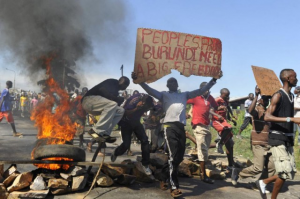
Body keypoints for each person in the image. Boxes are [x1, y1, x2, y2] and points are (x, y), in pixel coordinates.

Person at [132, 71, 222, 198]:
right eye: (170, 82)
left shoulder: (184, 95)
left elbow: (201, 90)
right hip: (169, 127)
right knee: (173, 157)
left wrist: (213, 80)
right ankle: (174, 187)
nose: (172, 84)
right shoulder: (163, 95)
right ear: (168, 86)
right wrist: (140, 82)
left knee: (177, 158)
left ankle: (162, 176)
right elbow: (150, 90)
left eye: (174, 82)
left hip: (180, 128)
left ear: (177, 84)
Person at [256, 69, 300, 199]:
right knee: (283, 172)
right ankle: (264, 185)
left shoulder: (291, 96)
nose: (296, 79)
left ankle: (263, 182)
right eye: (294, 77)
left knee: (289, 172)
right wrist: (291, 119)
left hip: (288, 138)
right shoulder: (278, 95)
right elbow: (267, 117)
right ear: (287, 78)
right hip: (277, 137)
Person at [232, 86, 275, 189]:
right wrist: (256, 96)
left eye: (268, 99)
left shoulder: (270, 111)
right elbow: (250, 111)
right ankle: (238, 173)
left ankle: (259, 183)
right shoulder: (257, 109)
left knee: (272, 167)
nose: (267, 101)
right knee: (258, 167)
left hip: (269, 143)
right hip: (258, 143)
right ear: (260, 99)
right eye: (265, 99)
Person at [187, 82, 224, 184]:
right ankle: (203, 175)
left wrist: (219, 109)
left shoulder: (211, 98)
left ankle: (202, 168)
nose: (206, 91)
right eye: (204, 89)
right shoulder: (195, 97)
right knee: (202, 149)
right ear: (201, 90)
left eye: (207, 89)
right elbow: (183, 101)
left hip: (207, 125)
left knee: (205, 148)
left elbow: (215, 107)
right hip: (198, 125)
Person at [111, 93, 155, 175]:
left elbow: (154, 108)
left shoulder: (149, 101)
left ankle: (145, 164)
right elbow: (125, 112)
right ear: (142, 102)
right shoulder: (133, 102)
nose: (146, 109)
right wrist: (136, 108)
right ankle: (116, 152)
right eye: (145, 107)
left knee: (145, 141)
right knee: (126, 144)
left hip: (136, 122)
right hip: (125, 122)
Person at [81, 76, 130, 143]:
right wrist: (116, 99)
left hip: (95, 106)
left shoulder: (116, 91)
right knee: (112, 104)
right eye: (126, 86)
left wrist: (119, 100)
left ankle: (105, 133)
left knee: (120, 111)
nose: (125, 88)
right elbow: (102, 89)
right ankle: (95, 131)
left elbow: (113, 106)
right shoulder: (113, 82)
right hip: (88, 100)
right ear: (122, 83)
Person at [212, 88, 235, 175]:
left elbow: (226, 112)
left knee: (230, 145)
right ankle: (220, 144)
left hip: (224, 122)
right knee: (227, 129)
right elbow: (210, 110)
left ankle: (230, 165)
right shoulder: (217, 100)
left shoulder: (226, 102)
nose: (227, 96)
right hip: (217, 121)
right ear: (222, 94)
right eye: (226, 95)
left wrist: (232, 119)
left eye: (228, 95)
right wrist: (218, 115)